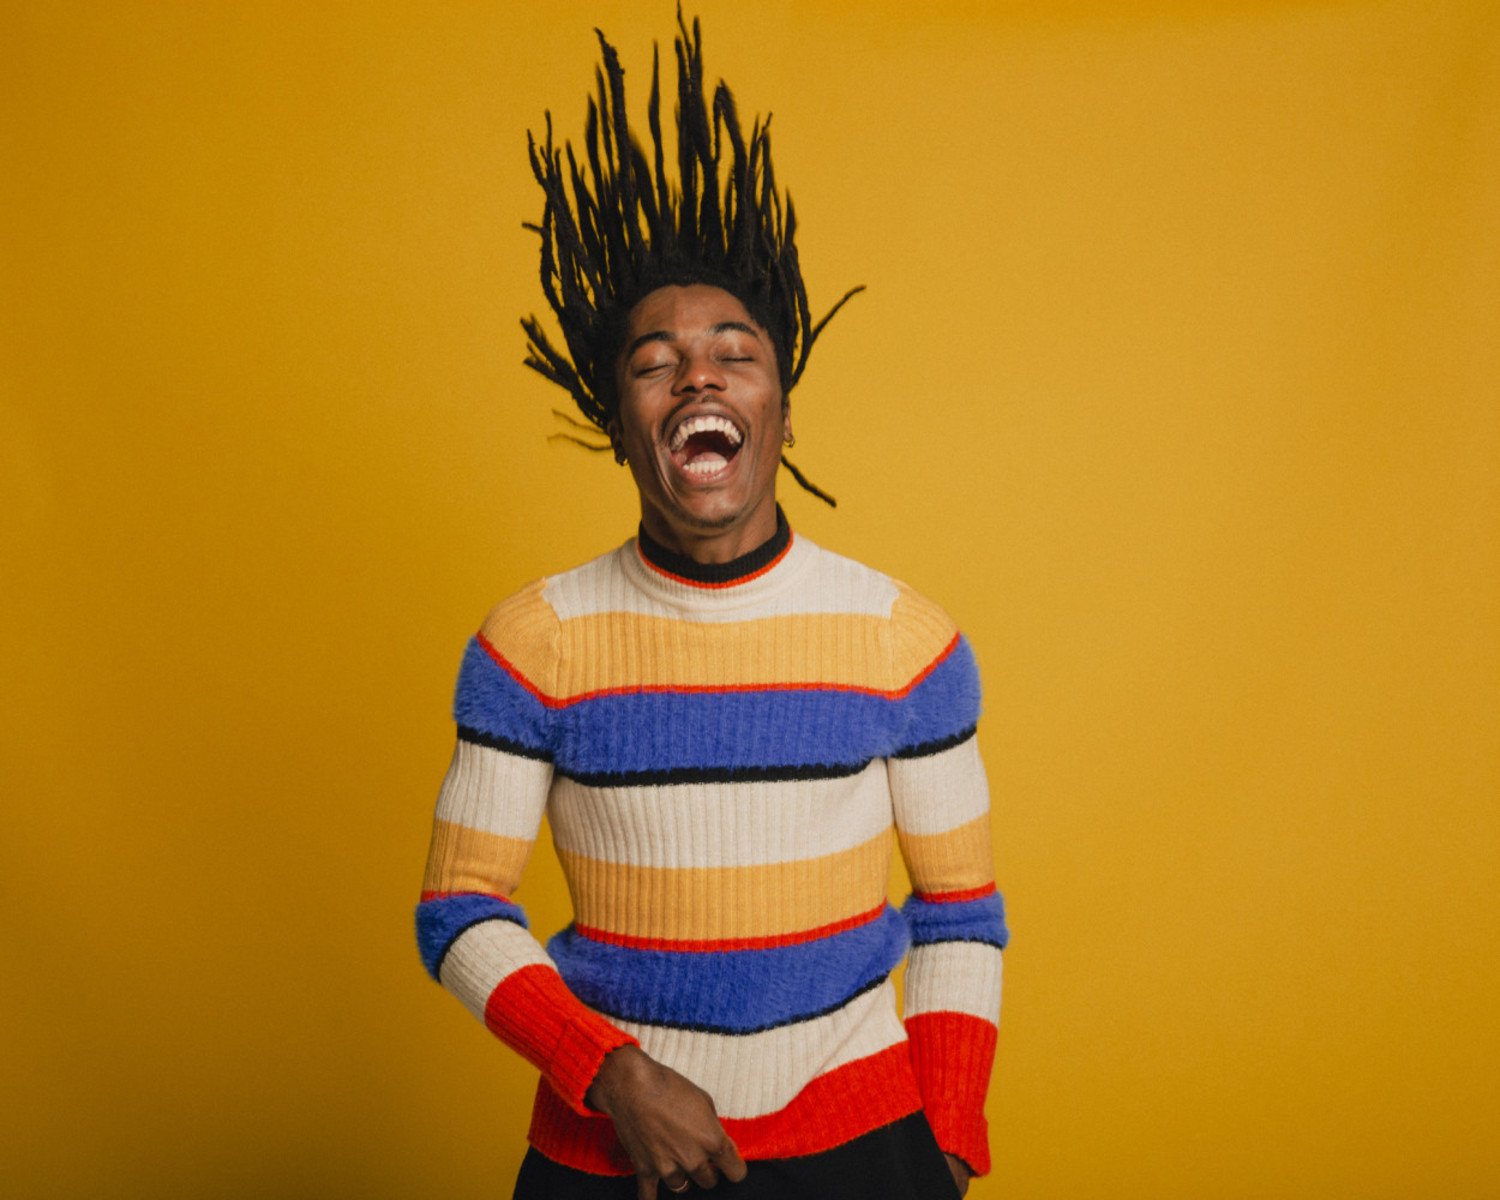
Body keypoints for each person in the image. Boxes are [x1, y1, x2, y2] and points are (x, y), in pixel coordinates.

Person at [415, 15, 1008, 1199]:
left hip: (868, 1147)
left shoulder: (907, 640)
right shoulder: (532, 644)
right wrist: (613, 1074)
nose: (697, 372)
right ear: (619, 418)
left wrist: (941, 1136)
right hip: (610, 1153)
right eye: (654, 361)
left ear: (781, 405)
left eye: (735, 350)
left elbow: (963, 909)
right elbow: (457, 910)